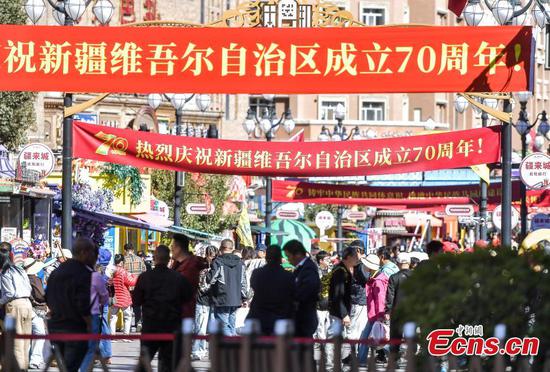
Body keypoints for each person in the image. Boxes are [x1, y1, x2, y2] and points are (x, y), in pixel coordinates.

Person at [133, 244, 192, 372]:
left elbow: (136, 301)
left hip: (150, 325)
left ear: (155, 258)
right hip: (172, 327)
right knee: (168, 365)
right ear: (169, 259)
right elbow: (188, 297)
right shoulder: (178, 278)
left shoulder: (144, 277)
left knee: (144, 363)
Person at [46, 238, 99, 372]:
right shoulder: (84, 273)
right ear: (84, 253)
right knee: (71, 367)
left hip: (56, 326)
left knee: (65, 366)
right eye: (93, 253)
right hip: (75, 328)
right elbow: (82, 303)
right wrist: (89, 323)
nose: (95, 257)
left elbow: (47, 297)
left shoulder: (56, 272)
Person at [247, 245, 294, 335]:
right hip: (281, 317)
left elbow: (254, 287)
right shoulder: (288, 276)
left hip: (259, 315)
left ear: (267, 257)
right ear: (280, 258)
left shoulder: (257, 273)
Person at [326, 246, 359, 371]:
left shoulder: (344, 269)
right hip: (337, 312)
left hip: (339, 311)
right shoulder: (340, 271)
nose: (357, 259)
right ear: (349, 257)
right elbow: (337, 295)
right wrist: (344, 314)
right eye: (355, 256)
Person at [0, 244, 33, 370]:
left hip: (13, 307)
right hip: (27, 305)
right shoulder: (20, 270)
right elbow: (29, 288)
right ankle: (24, 368)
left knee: (15, 343)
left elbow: (9, 293)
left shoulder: (5, 272)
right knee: (25, 341)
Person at [207, 238, 247, 336]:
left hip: (221, 298)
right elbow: (244, 282)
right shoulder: (240, 263)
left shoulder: (218, 262)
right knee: (231, 324)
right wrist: (244, 297)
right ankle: (234, 347)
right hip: (236, 299)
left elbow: (210, 279)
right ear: (232, 248)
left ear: (221, 248)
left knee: (223, 325)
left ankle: (232, 345)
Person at [283, 240, 320, 338]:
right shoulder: (300, 268)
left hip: (304, 319)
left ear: (298, 254)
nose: (288, 260)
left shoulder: (308, 269)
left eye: (289, 256)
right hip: (299, 320)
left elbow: (307, 291)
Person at [358, 254, 389, 364]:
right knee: (378, 338)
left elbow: (380, 300)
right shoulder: (376, 278)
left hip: (375, 315)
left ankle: (361, 360)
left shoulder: (377, 281)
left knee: (366, 339)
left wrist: (380, 316)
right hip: (375, 315)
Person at [80, 258, 110, 372]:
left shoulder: (74, 275)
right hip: (92, 314)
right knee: (91, 346)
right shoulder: (95, 277)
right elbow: (104, 296)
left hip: (75, 315)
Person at [170, 234, 208, 319]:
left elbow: (183, 292)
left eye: (172, 246)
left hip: (184, 314)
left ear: (178, 248)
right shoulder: (177, 264)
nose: (171, 249)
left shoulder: (190, 267)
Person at [385, 253, 413, 362]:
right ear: (409, 263)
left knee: (395, 337)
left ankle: (394, 360)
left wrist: (387, 311)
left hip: (397, 312)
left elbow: (390, 296)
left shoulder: (394, 277)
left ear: (398, 263)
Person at [192, 245, 218, 361]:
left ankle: (207, 350)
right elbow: (202, 287)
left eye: (214, 256)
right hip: (202, 301)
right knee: (200, 328)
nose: (212, 259)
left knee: (211, 328)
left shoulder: (216, 267)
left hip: (213, 301)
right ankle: (198, 350)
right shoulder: (203, 268)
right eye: (211, 256)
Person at [23, 257, 49, 369]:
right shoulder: (34, 279)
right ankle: (35, 360)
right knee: (39, 334)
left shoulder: (24, 278)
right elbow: (40, 295)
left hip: (26, 308)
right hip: (35, 310)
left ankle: (28, 359)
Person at [110, 254, 137, 337]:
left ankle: (112, 335)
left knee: (113, 317)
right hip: (124, 298)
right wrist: (134, 276)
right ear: (121, 262)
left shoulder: (111, 271)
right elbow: (131, 282)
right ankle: (125, 335)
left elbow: (109, 283)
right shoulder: (123, 272)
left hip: (115, 298)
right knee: (127, 317)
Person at [123, 243, 145, 331]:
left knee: (128, 305)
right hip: (138, 286)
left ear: (125, 251)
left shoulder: (124, 260)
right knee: (137, 305)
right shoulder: (140, 259)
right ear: (133, 249)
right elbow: (144, 271)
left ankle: (127, 327)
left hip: (128, 286)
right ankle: (138, 323)